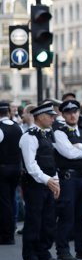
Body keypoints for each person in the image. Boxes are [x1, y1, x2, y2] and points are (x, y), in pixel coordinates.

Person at [52, 99, 82, 260]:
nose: (72, 116)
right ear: (63, 115)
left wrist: (80, 147)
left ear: (79, 113)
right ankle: (63, 250)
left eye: (75, 112)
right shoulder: (59, 131)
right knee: (66, 215)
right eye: (68, 113)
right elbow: (69, 154)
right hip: (69, 178)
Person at [19, 102, 62, 260]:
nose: (53, 119)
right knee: (34, 221)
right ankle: (30, 256)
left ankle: (43, 252)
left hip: (48, 183)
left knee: (48, 221)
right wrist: (48, 180)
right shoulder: (29, 137)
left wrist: (55, 181)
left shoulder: (47, 135)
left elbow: (51, 162)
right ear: (40, 117)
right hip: (34, 185)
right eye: (50, 116)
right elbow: (31, 165)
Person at [0, 101, 22, 245]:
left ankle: (6, 235)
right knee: (11, 200)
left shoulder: (0, 128)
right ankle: (10, 229)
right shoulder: (17, 127)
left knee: (4, 202)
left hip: (2, 169)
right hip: (16, 168)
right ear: (8, 112)